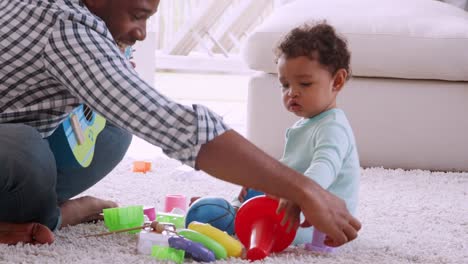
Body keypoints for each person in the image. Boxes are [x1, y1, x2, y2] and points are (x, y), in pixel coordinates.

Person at [0, 0, 361, 247]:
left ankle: (26, 209)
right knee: (25, 153)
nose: (141, 32)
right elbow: (174, 125)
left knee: (113, 128)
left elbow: (130, 102)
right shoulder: (67, 28)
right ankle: (57, 214)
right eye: (138, 15)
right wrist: (304, 189)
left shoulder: (84, 19)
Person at [235, 22, 360, 247]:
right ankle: (231, 209)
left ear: (337, 81)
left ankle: (224, 215)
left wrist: (299, 196)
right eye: (284, 85)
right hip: (295, 204)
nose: (292, 92)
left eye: (304, 83)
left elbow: (325, 166)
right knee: (255, 191)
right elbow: (291, 169)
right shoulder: (308, 124)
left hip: (314, 225)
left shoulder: (333, 127)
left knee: (237, 221)